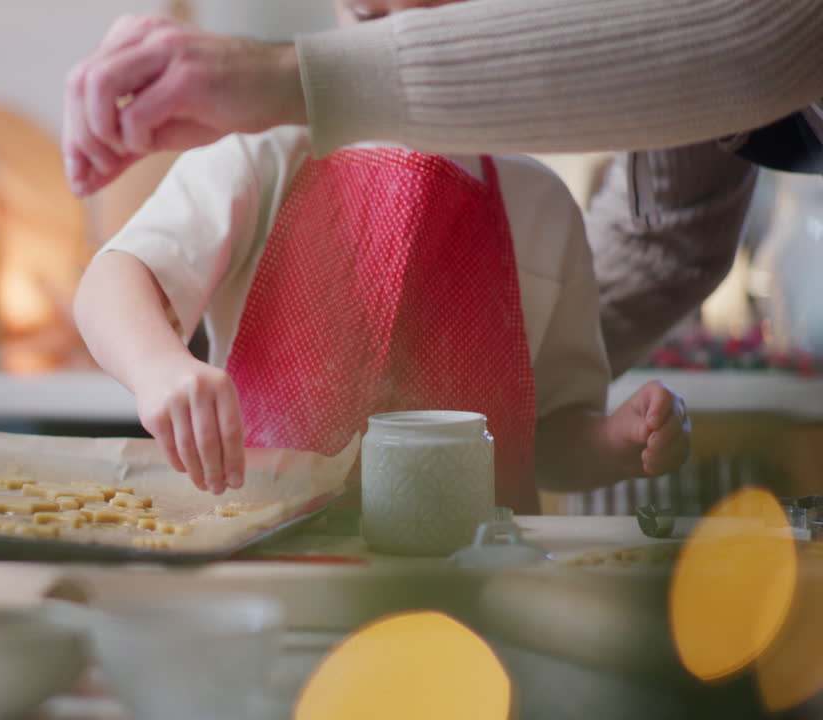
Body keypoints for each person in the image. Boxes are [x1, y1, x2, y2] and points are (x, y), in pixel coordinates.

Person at [74, 0, 692, 514]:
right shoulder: (263, 153)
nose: (395, 58)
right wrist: (158, 367)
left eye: (429, 31)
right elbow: (113, 278)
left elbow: (549, 438)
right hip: (277, 568)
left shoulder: (542, 208)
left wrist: (612, 441)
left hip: (474, 597)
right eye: (370, 19)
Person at [62, 0, 823, 373]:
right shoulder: (260, 160)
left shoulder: (526, 199)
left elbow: (766, 37)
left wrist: (292, 77)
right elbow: (667, 239)